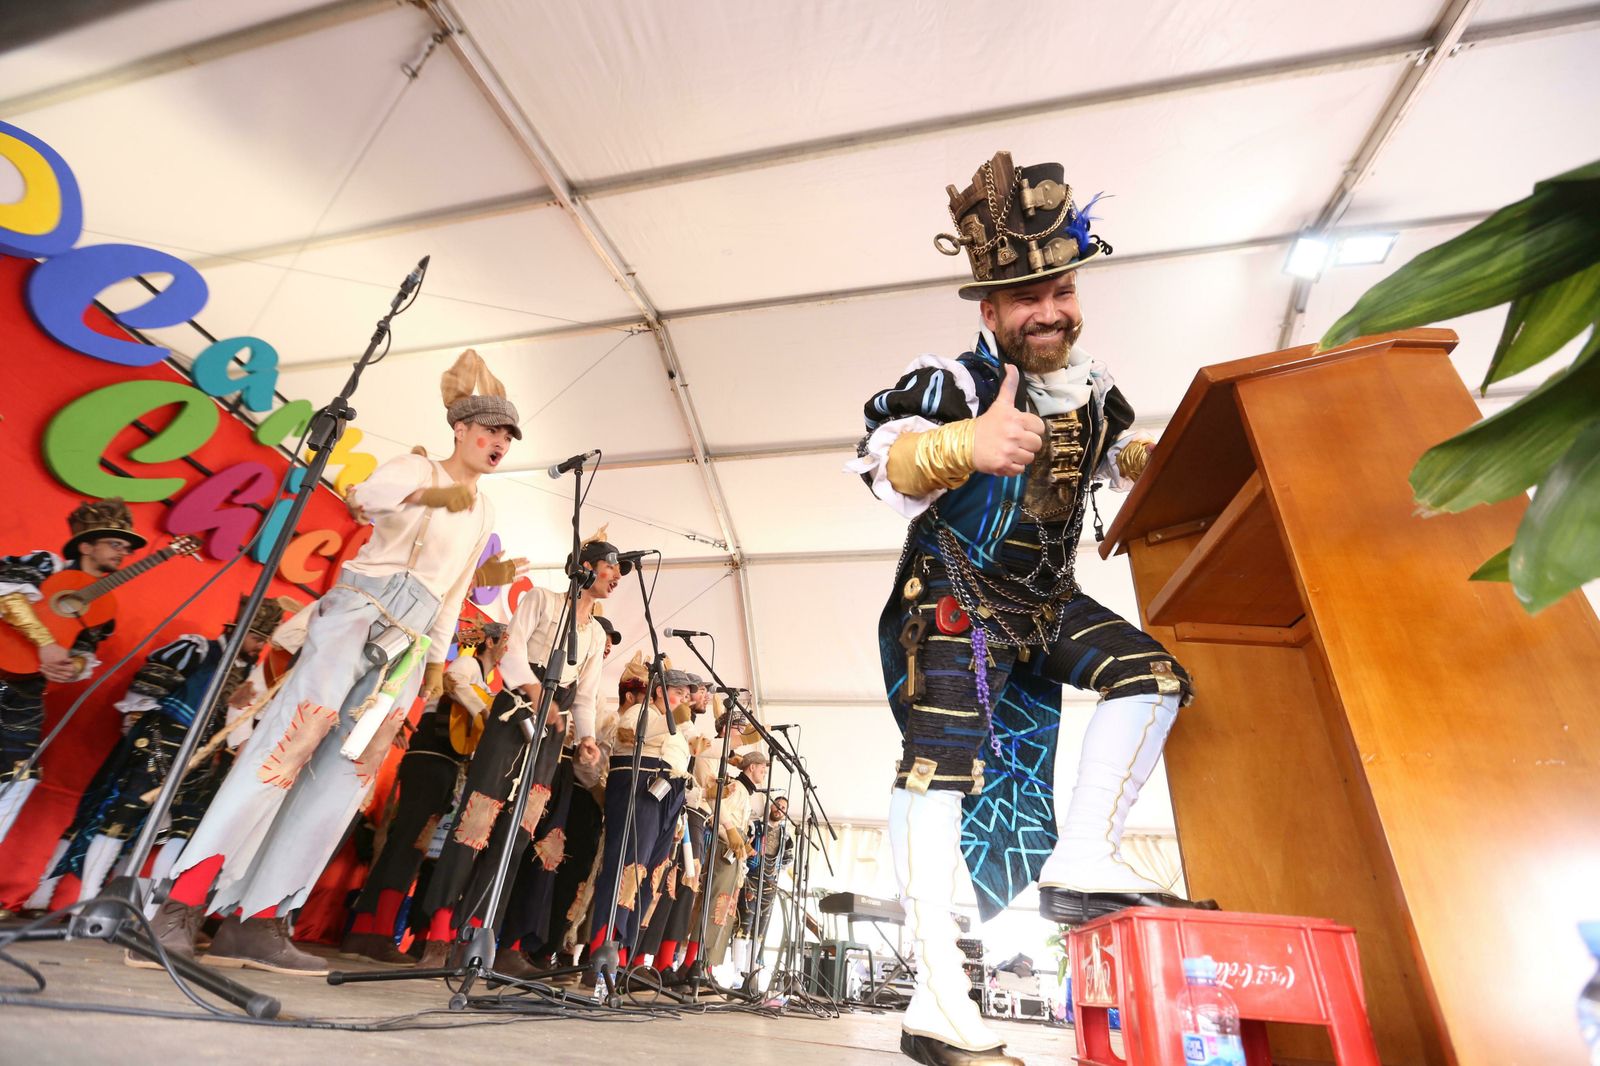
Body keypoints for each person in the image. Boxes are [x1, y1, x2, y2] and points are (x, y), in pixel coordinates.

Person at [846, 151, 1211, 1066]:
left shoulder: (1092, 393)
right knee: (938, 775)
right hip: (956, 604)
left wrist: (1147, 464)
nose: (1047, 312)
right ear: (990, 311)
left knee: (1153, 677)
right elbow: (881, 457)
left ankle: (1081, 860)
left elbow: (1100, 464)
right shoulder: (957, 384)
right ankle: (939, 999)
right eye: (1024, 299)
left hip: (1045, 604)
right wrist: (962, 444)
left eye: (1060, 290)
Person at [147, 349, 518, 976]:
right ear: (460, 427)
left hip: (407, 649)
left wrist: (432, 667)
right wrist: (435, 493)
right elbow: (363, 497)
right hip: (358, 616)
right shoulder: (418, 465)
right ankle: (180, 906)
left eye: (508, 436)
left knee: (349, 774)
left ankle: (259, 920)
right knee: (288, 746)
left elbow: (453, 591)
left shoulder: (485, 509)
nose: (500, 443)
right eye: (491, 431)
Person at [413, 534, 618, 970]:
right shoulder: (543, 599)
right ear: (584, 567)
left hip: (553, 724)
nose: (616, 576)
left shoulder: (598, 634)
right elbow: (514, 649)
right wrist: (530, 688)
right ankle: (438, 936)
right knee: (477, 819)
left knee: (518, 832)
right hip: (517, 711)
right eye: (611, 566)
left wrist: (585, 738)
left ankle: (478, 938)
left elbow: (586, 694)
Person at [21, 596, 292, 914]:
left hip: (200, 759)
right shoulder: (197, 649)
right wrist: (141, 738)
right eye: (256, 637)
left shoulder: (252, 673)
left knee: (161, 831)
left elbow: (235, 719)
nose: (259, 645)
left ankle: (134, 908)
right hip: (160, 743)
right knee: (116, 815)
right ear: (239, 628)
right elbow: (145, 693)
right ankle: (78, 899)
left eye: (264, 639)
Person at [340, 619, 508, 965]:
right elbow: (453, 682)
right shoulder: (468, 664)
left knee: (407, 845)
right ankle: (379, 932)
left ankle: (366, 930)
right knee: (410, 845)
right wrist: (485, 713)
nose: (510, 647)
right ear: (490, 642)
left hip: (443, 762)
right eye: (507, 641)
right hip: (431, 758)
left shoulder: (485, 680)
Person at [0, 499, 144, 839]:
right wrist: (45, 644)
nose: (122, 553)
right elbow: (8, 597)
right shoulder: (46, 565)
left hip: (25, 692)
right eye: (114, 543)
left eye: (125, 547)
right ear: (85, 545)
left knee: (18, 780)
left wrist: (71, 665)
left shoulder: (102, 606)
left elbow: (84, 650)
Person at [584, 665, 695, 983]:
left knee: (651, 876)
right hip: (641, 785)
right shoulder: (639, 712)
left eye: (685, 695)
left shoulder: (671, 725)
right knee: (627, 868)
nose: (681, 700)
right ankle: (601, 952)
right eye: (677, 693)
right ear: (660, 690)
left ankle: (623, 957)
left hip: (668, 793)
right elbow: (627, 735)